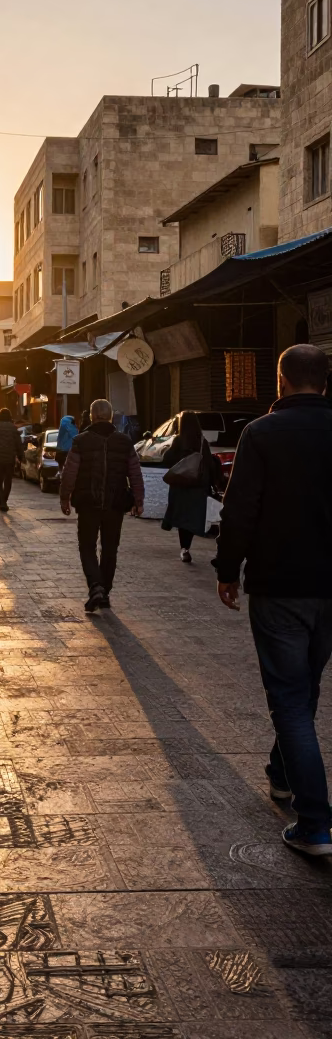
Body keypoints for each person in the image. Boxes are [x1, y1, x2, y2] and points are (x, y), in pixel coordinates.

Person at [215, 343, 332, 857]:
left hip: (280, 586)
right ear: (325, 382)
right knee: (305, 687)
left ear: (281, 381)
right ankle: (282, 775)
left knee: (289, 698)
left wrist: (227, 570)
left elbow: (241, 509)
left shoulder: (260, 433)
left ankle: (314, 824)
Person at [59, 397, 144, 612]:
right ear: (110, 416)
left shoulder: (81, 441)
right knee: (110, 548)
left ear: (91, 416)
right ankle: (104, 591)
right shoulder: (124, 442)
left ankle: (96, 586)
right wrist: (138, 500)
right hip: (115, 503)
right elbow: (135, 473)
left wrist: (65, 497)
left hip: (88, 503)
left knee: (87, 546)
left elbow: (70, 472)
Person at [161, 410, 220, 562]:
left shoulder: (179, 440)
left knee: (182, 519)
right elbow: (209, 465)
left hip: (181, 485)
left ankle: (184, 548)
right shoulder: (202, 441)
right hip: (198, 486)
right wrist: (213, 484)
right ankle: (187, 546)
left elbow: (166, 459)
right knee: (192, 518)